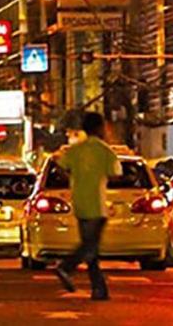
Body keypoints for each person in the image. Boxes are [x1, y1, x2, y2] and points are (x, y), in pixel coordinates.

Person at [51, 112, 122, 301]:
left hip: (80, 202)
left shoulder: (75, 150)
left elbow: (58, 164)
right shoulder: (105, 150)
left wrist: (72, 178)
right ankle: (66, 266)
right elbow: (116, 173)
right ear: (99, 128)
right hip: (98, 204)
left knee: (91, 248)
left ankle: (99, 289)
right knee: (90, 246)